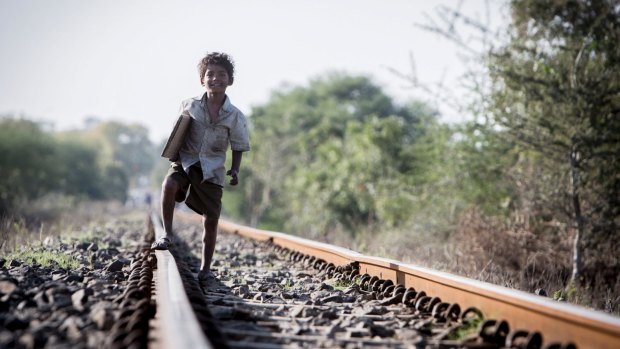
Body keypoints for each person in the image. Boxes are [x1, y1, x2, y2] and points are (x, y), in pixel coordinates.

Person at [152, 52, 250, 283]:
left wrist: (234, 170)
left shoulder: (235, 116)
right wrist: (173, 154)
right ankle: (167, 234)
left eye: (222, 75)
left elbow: (238, 145)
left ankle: (206, 269)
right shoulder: (189, 105)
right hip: (186, 161)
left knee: (211, 219)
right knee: (169, 184)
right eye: (210, 74)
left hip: (213, 168)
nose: (216, 78)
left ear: (230, 80)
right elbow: (178, 131)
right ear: (202, 80)